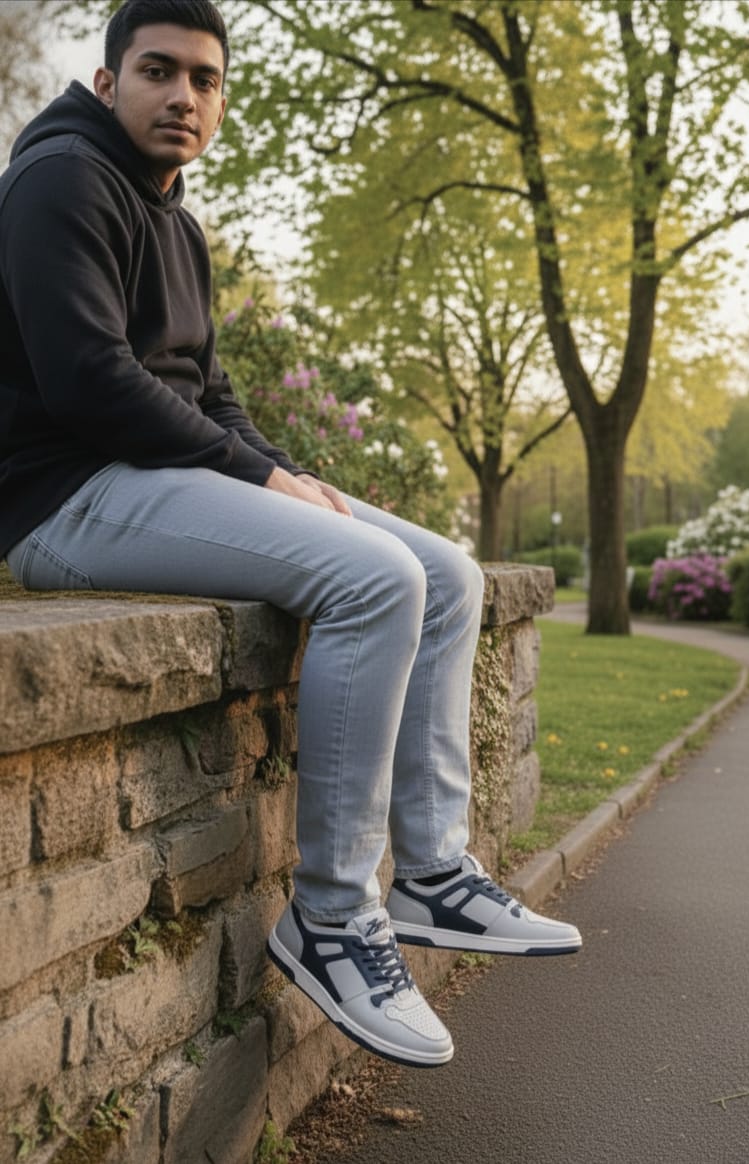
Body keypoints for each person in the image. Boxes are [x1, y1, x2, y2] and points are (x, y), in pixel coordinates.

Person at [0, 0, 581, 1068]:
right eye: (159, 71)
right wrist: (256, 473)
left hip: (153, 481)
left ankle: (436, 877)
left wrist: (286, 472)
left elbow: (209, 392)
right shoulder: (60, 182)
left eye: (205, 79)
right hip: (66, 500)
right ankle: (328, 915)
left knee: (443, 572)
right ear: (105, 81)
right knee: (376, 583)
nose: (184, 96)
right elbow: (88, 382)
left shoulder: (172, 216)